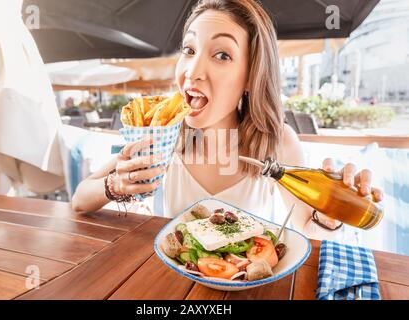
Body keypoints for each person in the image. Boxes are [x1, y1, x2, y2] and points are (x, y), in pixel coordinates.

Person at [72, 0, 383, 239]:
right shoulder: (162, 133)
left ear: (250, 76)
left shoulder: (276, 141)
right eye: (189, 49)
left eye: (222, 55)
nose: (192, 71)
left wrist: (326, 218)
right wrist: (116, 185)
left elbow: (305, 233)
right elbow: (79, 200)